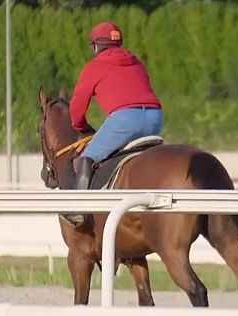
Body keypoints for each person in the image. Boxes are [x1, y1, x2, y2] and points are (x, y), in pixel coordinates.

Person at [63, 21, 163, 226]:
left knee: (87, 157)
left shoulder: (94, 67)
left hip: (125, 120)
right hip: (155, 117)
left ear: (96, 46)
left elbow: (77, 109)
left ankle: (78, 211)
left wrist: (80, 126)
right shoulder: (137, 62)